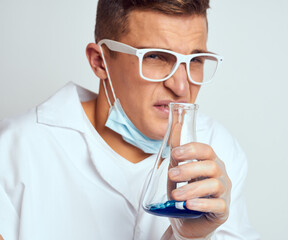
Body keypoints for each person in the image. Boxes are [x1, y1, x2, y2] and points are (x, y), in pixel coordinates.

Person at [0, 0, 260, 239]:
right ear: (100, 61)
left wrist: (192, 238)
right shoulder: (14, 152)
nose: (181, 86)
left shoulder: (218, 152)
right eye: (155, 56)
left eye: (196, 60)